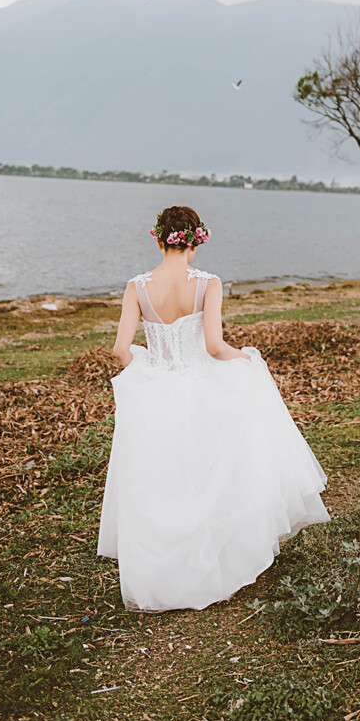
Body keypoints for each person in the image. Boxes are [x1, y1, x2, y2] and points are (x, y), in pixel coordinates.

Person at [97, 204, 330, 612]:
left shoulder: (137, 286)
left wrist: (154, 370)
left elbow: (119, 351)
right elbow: (214, 347)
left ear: (158, 238)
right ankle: (219, 557)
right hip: (201, 386)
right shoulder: (208, 284)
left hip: (158, 389)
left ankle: (166, 572)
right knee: (211, 472)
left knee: (163, 479)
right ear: (195, 240)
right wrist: (246, 359)